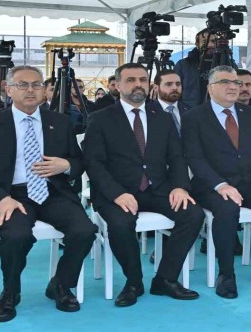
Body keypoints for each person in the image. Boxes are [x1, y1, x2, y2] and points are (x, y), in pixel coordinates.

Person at [0, 66, 96, 322]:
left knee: (84, 230)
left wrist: (66, 165)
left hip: (53, 190)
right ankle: (10, 292)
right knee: (16, 236)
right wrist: (1, 198)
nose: (30, 90)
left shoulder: (59, 122)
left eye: (36, 84)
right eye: (22, 85)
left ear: (43, 90)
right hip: (11, 195)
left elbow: (79, 161)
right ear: (8, 90)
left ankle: (61, 284)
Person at [83, 63, 203, 307]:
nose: (138, 84)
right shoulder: (100, 118)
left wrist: (180, 187)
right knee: (121, 223)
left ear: (149, 85)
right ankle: (133, 282)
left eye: (142, 80)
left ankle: (165, 279)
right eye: (130, 80)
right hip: (117, 192)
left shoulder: (163, 118)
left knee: (193, 214)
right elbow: (93, 164)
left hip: (158, 189)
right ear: (117, 85)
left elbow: (176, 157)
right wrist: (116, 194)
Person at [182, 66, 251, 299]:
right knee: (227, 209)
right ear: (211, 88)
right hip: (213, 186)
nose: (234, 86)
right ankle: (226, 274)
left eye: (236, 82)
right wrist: (220, 185)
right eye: (226, 82)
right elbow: (194, 158)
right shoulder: (194, 117)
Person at [174, 29, 219, 107]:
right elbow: (175, 89)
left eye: (213, 41)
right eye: (205, 42)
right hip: (190, 110)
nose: (210, 45)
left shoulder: (226, 64)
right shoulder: (183, 65)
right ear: (197, 44)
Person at [150, 70, 191, 137]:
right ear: (156, 88)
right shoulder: (147, 112)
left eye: (178, 84)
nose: (175, 88)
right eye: (168, 84)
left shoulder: (191, 111)